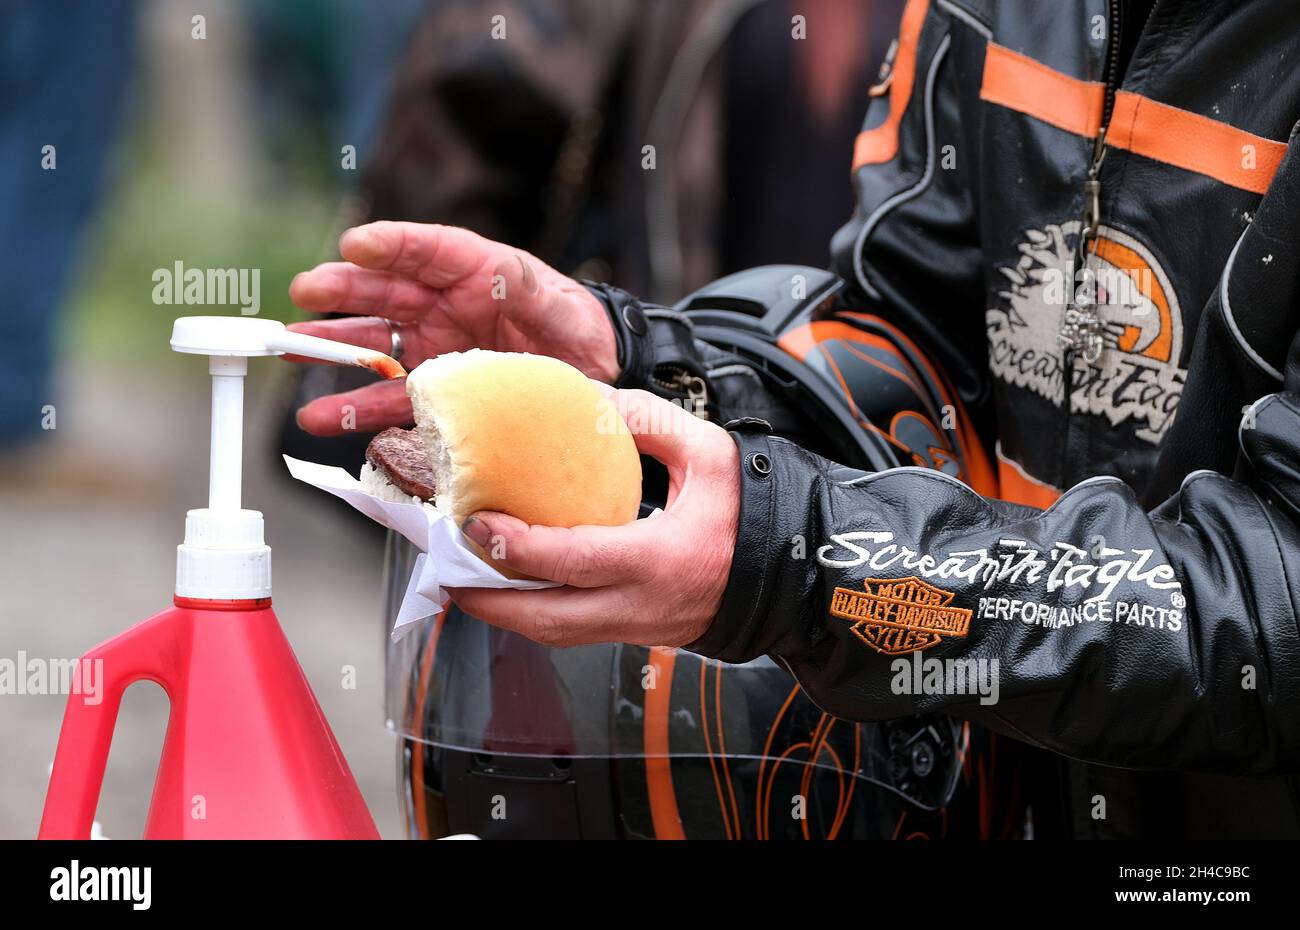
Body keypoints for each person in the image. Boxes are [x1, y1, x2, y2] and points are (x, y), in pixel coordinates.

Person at [286, 0, 1300, 838]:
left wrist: (799, 559)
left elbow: (1277, 610)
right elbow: (910, 357)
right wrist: (640, 364)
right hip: (1004, 792)